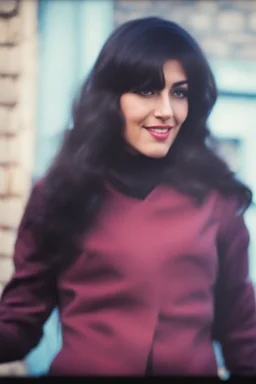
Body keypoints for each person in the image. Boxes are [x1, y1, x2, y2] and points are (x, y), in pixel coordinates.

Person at [0, 16, 255, 376]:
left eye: (179, 92)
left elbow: (243, 332)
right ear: (111, 99)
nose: (166, 110)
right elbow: (19, 321)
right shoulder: (60, 194)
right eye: (147, 90)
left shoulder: (218, 199)